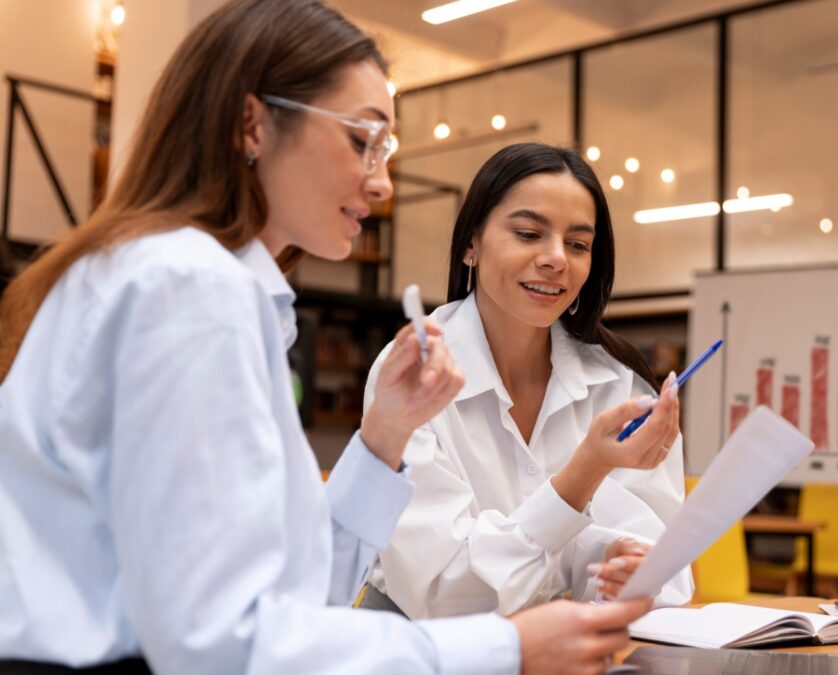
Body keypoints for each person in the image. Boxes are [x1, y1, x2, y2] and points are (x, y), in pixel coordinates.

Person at [0, 1, 650, 673]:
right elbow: (221, 643)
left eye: (387, 149)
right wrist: (507, 646)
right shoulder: (187, 288)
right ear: (253, 123)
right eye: (360, 139)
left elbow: (300, 593)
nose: (382, 181)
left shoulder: (202, 284)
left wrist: (383, 438)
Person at [336, 143, 693, 620]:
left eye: (578, 244)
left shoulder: (619, 383)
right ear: (471, 244)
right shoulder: (412, 372)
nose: (556, 259)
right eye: (528, 233)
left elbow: (668, 573)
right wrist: (582, 477)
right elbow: (442, 590)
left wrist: (621, 567)